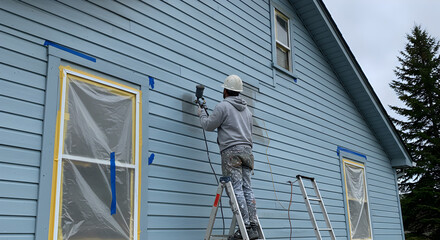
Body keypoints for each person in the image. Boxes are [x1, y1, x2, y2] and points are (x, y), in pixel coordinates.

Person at [197, 75, 259, 240]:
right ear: (238, 92)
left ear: (225, 90)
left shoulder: (223, 106)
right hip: (248, 152)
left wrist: (201, 111)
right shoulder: (248, 112)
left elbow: (208, 125)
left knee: (236, 188)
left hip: (232, 153)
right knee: (247, 188)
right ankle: (253, 225)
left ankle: (245, 226)